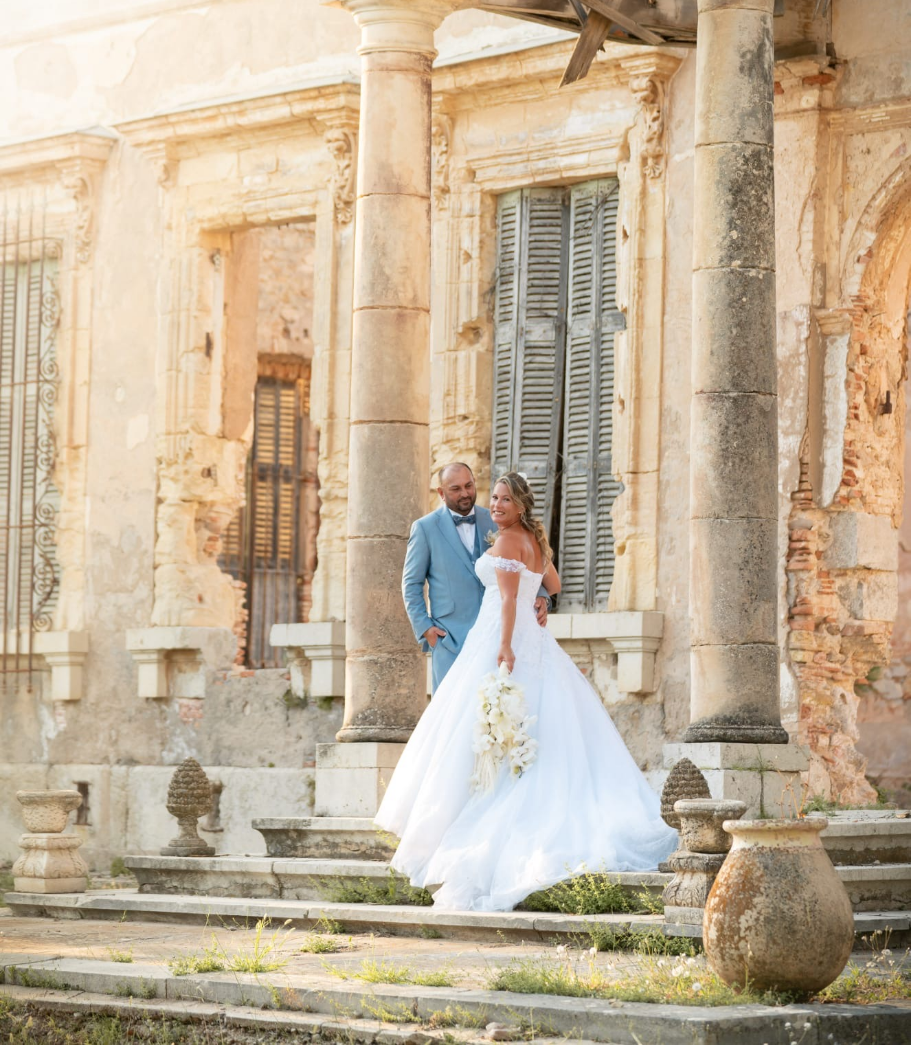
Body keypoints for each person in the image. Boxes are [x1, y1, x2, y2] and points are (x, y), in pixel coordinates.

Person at [376, 471, 677, 912]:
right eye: (492, 498)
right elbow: (551, 585)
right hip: (529, 644)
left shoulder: (504, 541)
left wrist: (504, 647)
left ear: (519, 505)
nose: (493, 505)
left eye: (502, 500)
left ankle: (474, 819)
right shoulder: (531, 540)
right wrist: (541, 599)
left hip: (503, 641)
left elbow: (507, 602)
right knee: (520, 728)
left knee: (493, 731)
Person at [402, 462, 549, 693]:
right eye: (456, 489)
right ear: (441, 493)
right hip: (450, 639)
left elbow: (527, 558)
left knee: (499, 711)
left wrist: (540, 594)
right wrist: (425, 629)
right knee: (452, 715)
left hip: (496, 633)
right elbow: (411, 584)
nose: (465, 493)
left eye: (469, 486)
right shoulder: (425, 528)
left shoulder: (496, 517)